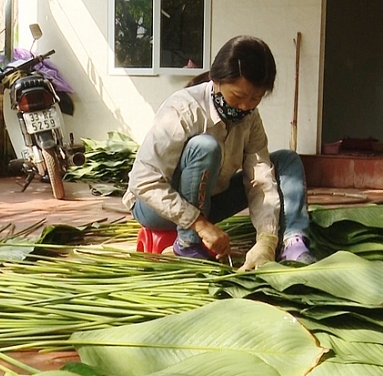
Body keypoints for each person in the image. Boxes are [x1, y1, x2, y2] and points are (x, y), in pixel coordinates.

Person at [122, 35, 315, 270]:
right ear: (217, 80)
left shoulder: (250, 118)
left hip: (210, 199)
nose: (245, 106)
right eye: (239, 96)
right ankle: (188, 244)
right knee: (206, 147)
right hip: (155, 208)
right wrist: (200, 225)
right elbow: (142, 181)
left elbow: (259, 178)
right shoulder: (183, 109)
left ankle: (293, 242)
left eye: (255, 98)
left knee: (286, 160)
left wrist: (267, 238)